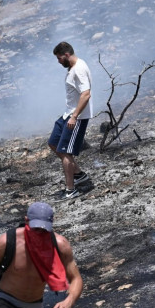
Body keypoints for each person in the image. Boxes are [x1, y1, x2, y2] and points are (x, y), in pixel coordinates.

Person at [48, 41, 93, 200]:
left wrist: (74, 116)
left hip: (76, 117)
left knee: (65, 152)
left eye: (59, 58)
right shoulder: (74, 67)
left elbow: (86, 94)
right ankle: (79, 174)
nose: (59, 61)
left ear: (66, 55)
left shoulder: (79, 69)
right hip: (68, 114)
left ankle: (70, 189)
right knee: (53, 143)